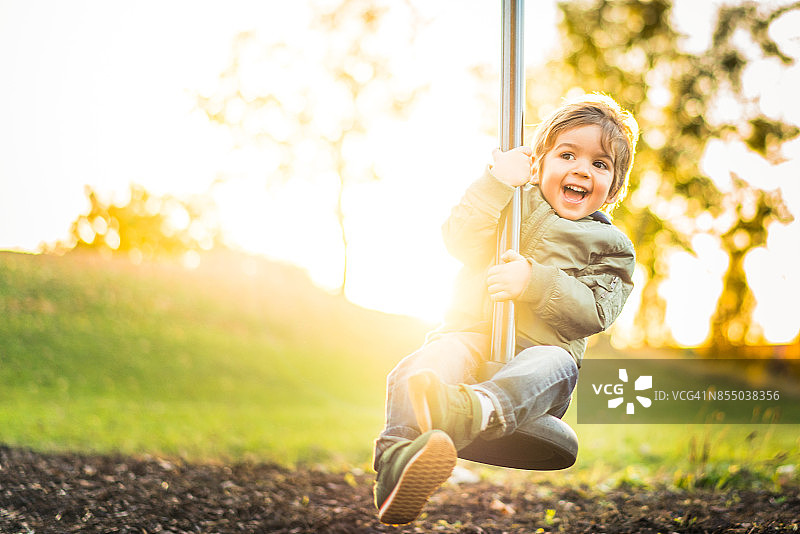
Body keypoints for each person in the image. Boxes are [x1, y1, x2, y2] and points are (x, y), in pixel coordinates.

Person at [373, 93, 639, 526]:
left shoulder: (612, 247)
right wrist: (496, 181)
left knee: (553, 361)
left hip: (537, 369)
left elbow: (595, 312)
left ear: (614, 186)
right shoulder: (510, 202)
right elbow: (458, 239)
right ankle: (395, 471)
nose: (581, 170)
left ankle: (474, 411)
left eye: (600, 164)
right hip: (470, 337)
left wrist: (533, 283)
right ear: (538, 164)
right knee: (418, 367)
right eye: (567, 154)